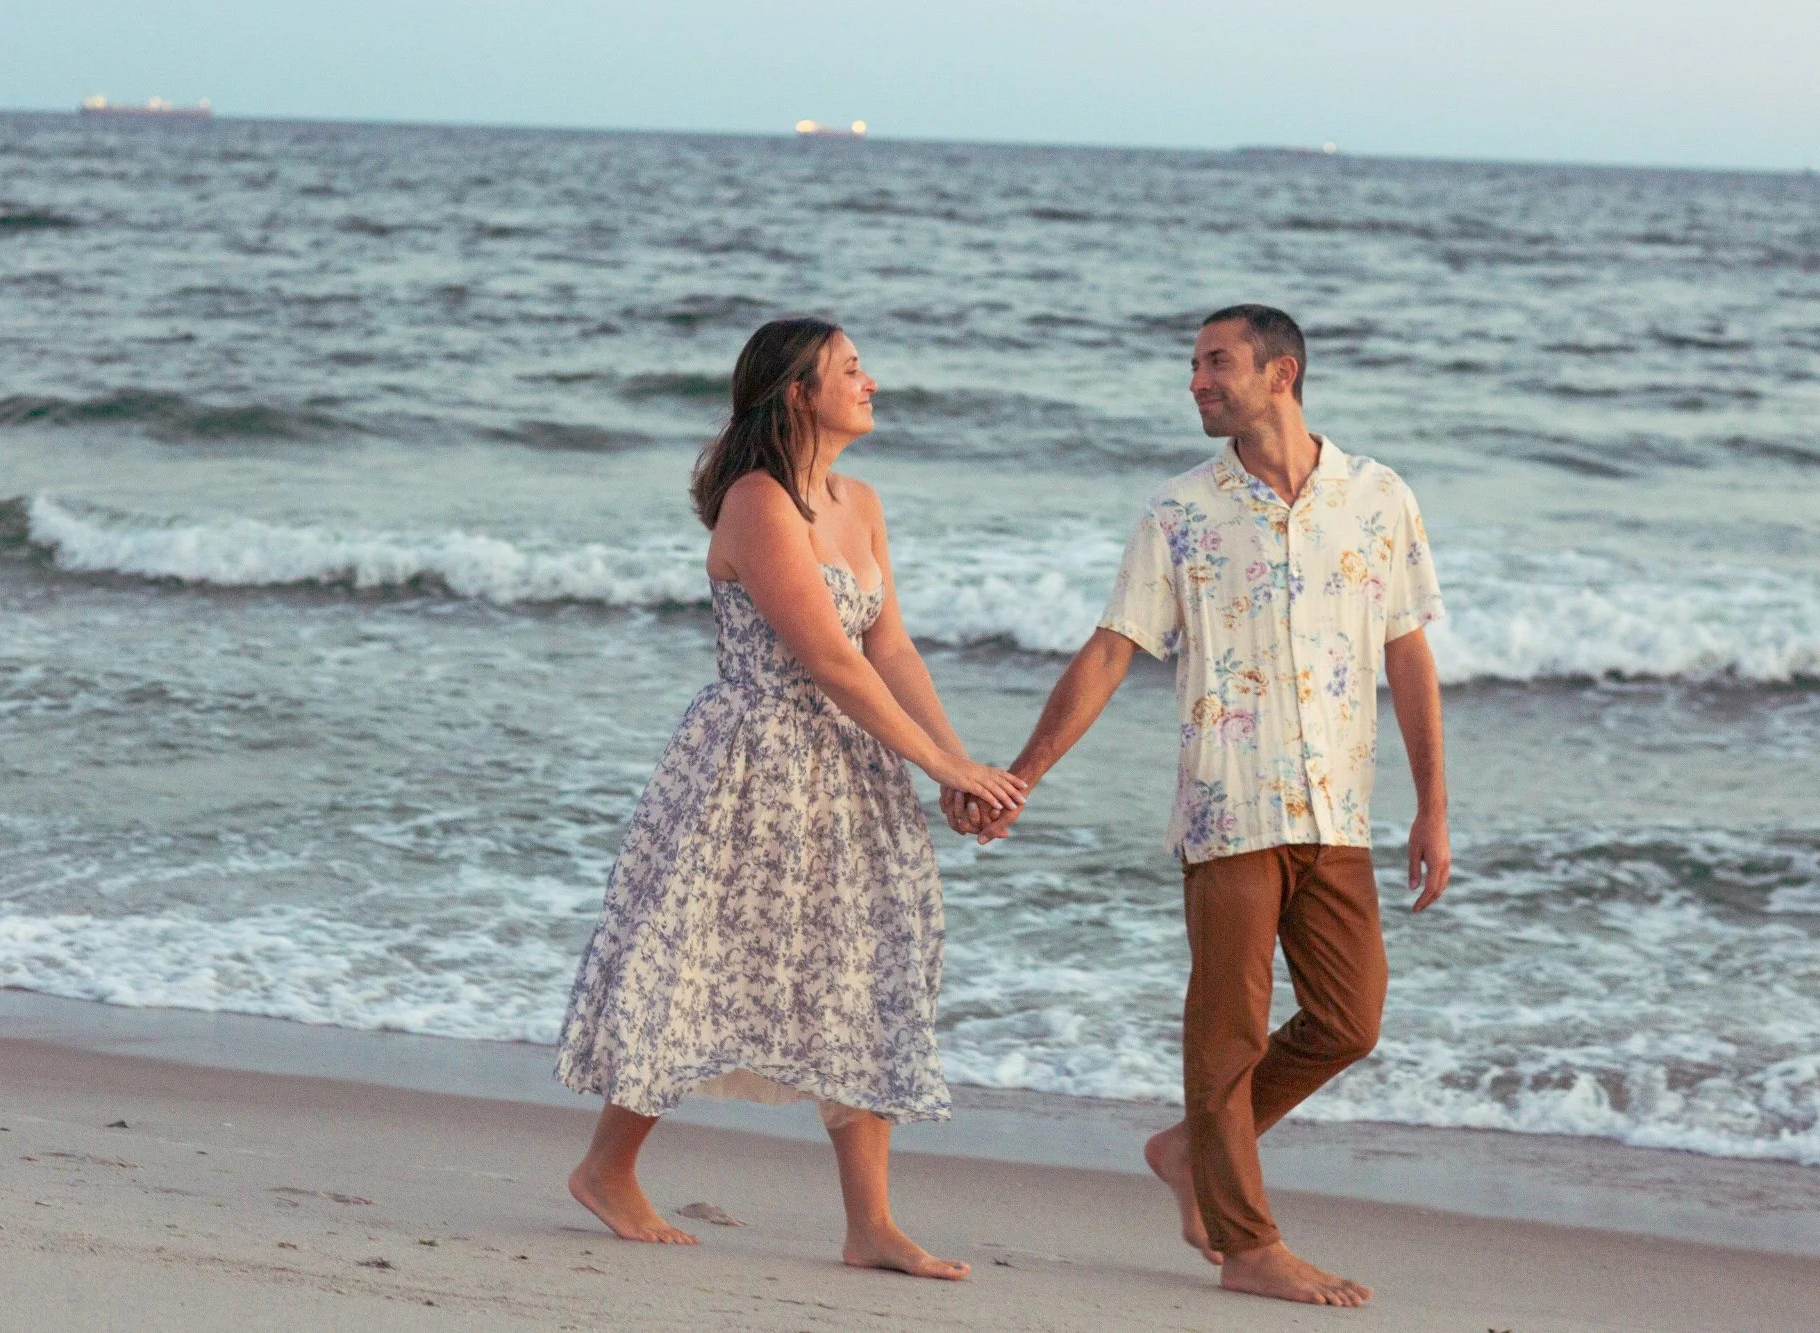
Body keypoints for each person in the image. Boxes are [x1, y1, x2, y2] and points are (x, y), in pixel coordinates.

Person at [945, 304, 1451, 1307]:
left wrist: (1432, 804)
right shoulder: (1178, 512)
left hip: (1336, 809)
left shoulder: (1377, 498)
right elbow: (1108, 650)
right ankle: (1245, 1241)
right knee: (1225, 1031)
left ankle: (1189, 1150)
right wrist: (1023, 772)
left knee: (1350, 1020)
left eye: (1214, 363)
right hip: (1227, 806)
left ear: (1280, 371)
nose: (1194, 382)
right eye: (1191, 366)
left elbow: (1406, 649)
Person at [555, 316, 1028, 1280]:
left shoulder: (859, 501)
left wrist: (957, 760)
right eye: (851, 370)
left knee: (865, 968)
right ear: (799, 394)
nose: (872, 382)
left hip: (853, 769)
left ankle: (871, 1225)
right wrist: (944, 770)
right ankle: (607, 1168)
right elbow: (824, 657)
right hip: (754, 768)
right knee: (701, 963)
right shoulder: (758, 502)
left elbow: (889, 649)